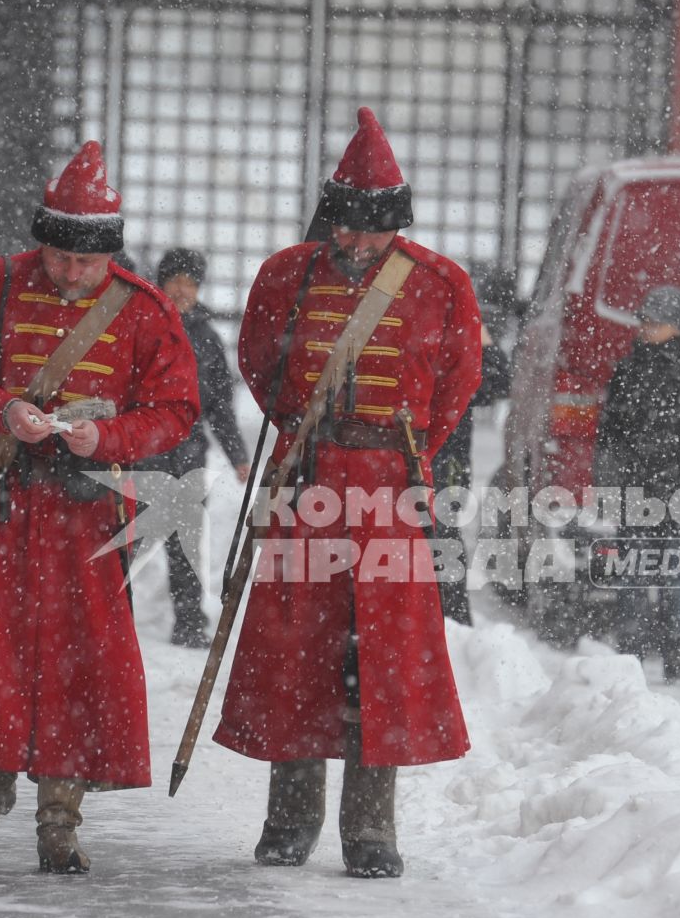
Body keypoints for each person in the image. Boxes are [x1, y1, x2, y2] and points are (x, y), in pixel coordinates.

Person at [216, 107, 482, 878]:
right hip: (307, 485)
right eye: (349, 230)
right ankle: (289, 821)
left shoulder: (442, 285)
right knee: (300, 652)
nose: (357, 246)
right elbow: (261, 362)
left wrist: (402, 453)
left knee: (380, 663)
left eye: (372, 234)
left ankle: (371, 832)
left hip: (390, 497)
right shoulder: (287, 275)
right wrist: (308, 432)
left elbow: (456, 384)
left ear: (395, 229)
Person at [0, 140, 199, 873]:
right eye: (60, 258)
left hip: (85, 519)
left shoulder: (143, 312)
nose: (71, 273)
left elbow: (175, 409)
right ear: (41, 240)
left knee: (79, 666)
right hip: (3, 507)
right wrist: (2, 406)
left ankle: (60, 817)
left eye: (86, 263)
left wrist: (107, 436)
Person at [591, 284, 680, 684]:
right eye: (646, 321)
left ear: (677, 326)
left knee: (666, 573)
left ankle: (673, 656)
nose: (647, 328)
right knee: (636, 574)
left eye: (657, 322)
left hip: (672, 489)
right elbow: (609, 435)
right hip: (638, 489)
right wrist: (605, 488)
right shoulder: (631, 370)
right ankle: (634, 658)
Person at [140, 246, 250, 648]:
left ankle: (188, 623)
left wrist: (237, 455)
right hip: (140, 452)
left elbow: (219, 406)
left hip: (187, 454)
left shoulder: (206, 339)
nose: (183, 290)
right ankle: (104, 619)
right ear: (162, 284)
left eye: (190, 283)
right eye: (176, 281)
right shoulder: (143, 325)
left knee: (183, 543)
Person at [429, 262, 515, 624]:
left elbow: (495, 384)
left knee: (443, 539)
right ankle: (445, 621)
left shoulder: (462, 336)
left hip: (444, 457)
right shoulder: (422, 333)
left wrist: (482, 339)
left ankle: (451, 624)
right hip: (423, 455)